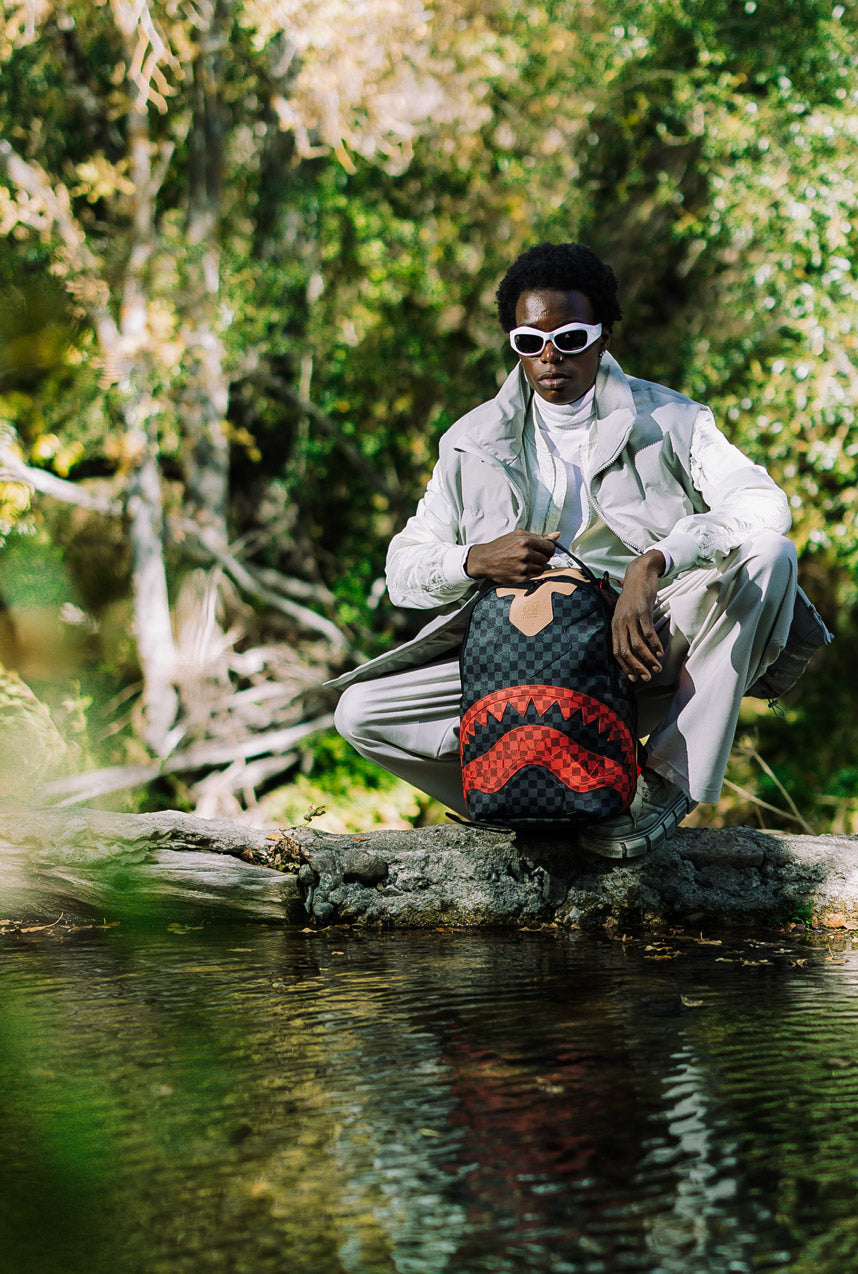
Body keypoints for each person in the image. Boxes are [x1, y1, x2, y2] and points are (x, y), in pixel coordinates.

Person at [330, 241, 800, 858]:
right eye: (529, 342)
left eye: (571, 338)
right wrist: (474, 559)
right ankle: (524, 803)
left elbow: (765, 504)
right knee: (360, 712)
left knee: (770, 555)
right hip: (523, 663)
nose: (550, 357)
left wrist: (655, 562)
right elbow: (402, 570)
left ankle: (658, 786)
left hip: (643, 641)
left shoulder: (673, 421)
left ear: (603, 337)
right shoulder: (470, 442)